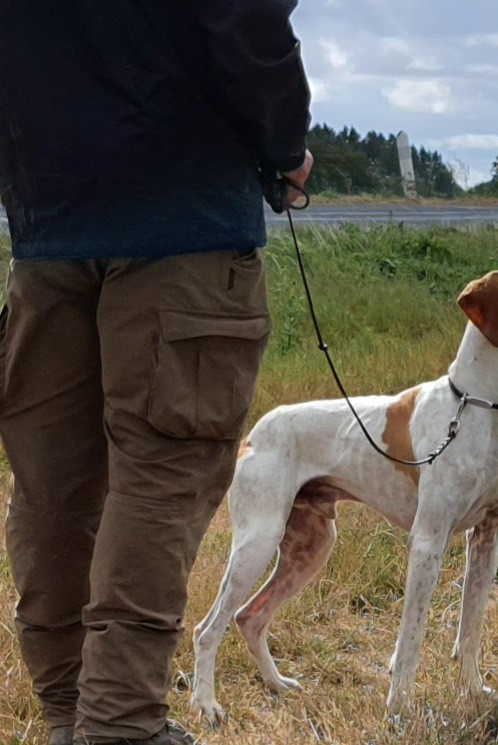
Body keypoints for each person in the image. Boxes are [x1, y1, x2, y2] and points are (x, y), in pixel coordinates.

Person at [0, 1, 312, 743]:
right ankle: (121, 724)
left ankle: (72, 714)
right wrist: (285, 143)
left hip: (47, 223)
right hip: (185, 215)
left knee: (53, 484)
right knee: (160, 475)